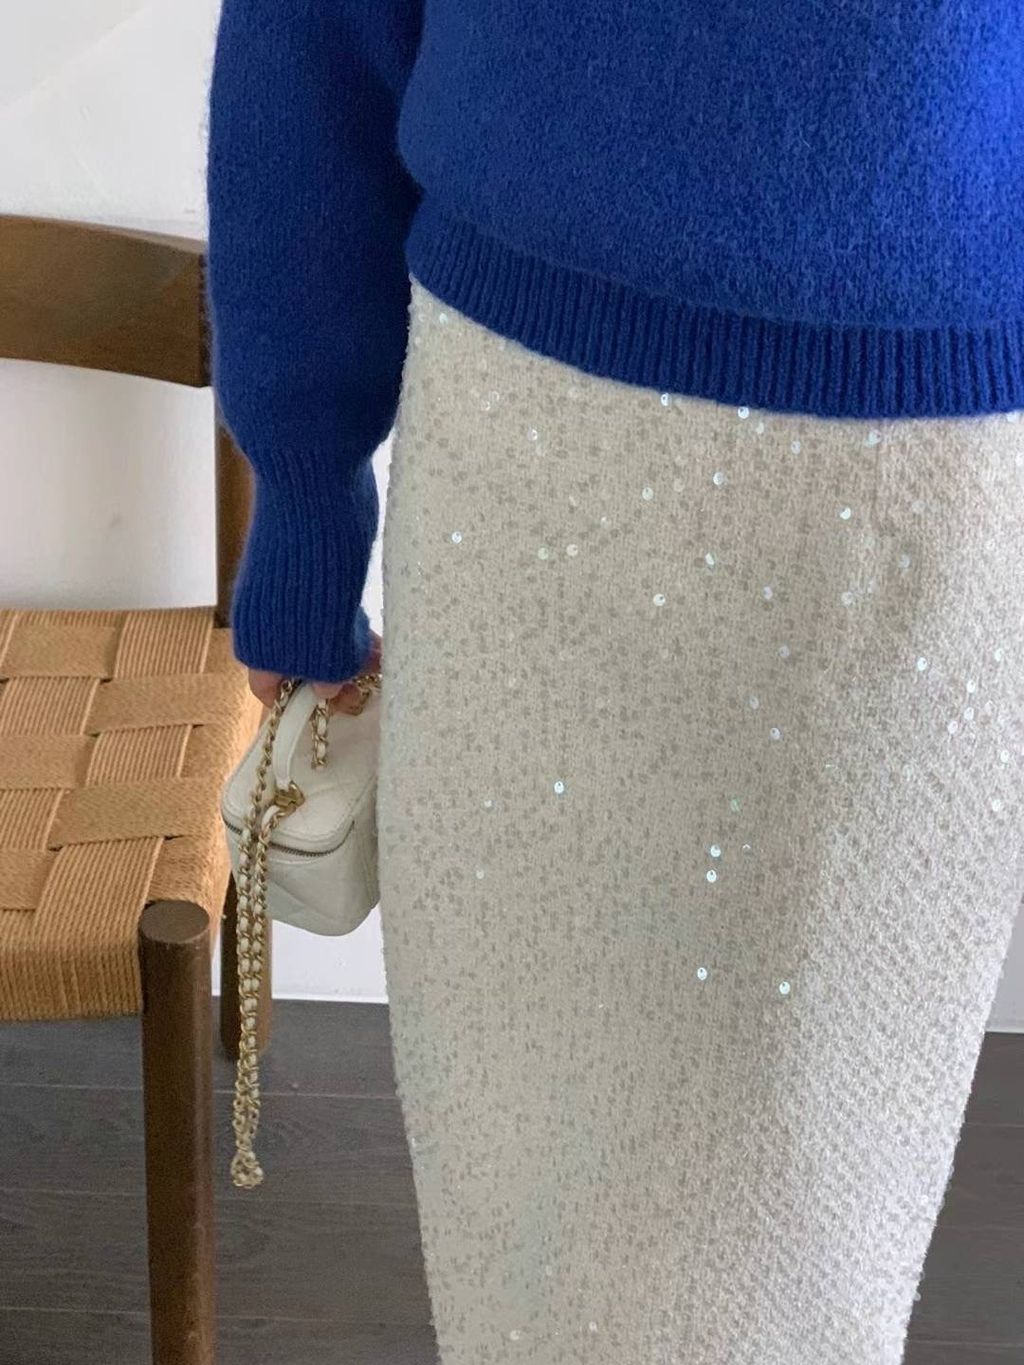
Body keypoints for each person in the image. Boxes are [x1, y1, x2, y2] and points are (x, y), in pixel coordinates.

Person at [204, 3, 1024, 1361]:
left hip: (926, 495)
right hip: (530, 461)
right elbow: (318, 28)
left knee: (808, 1254)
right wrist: (300, 505)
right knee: (519, 1225)